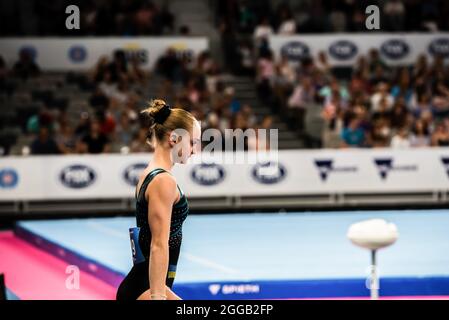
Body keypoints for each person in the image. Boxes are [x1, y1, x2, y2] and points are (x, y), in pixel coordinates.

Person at [116, 99, 201, 300]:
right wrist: (158, 297)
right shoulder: (163, 180)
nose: (195, 150)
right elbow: (158, 244)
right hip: (147, 288)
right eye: (192, 143)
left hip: (148, 284)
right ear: (174, 138)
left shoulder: (150, 173)